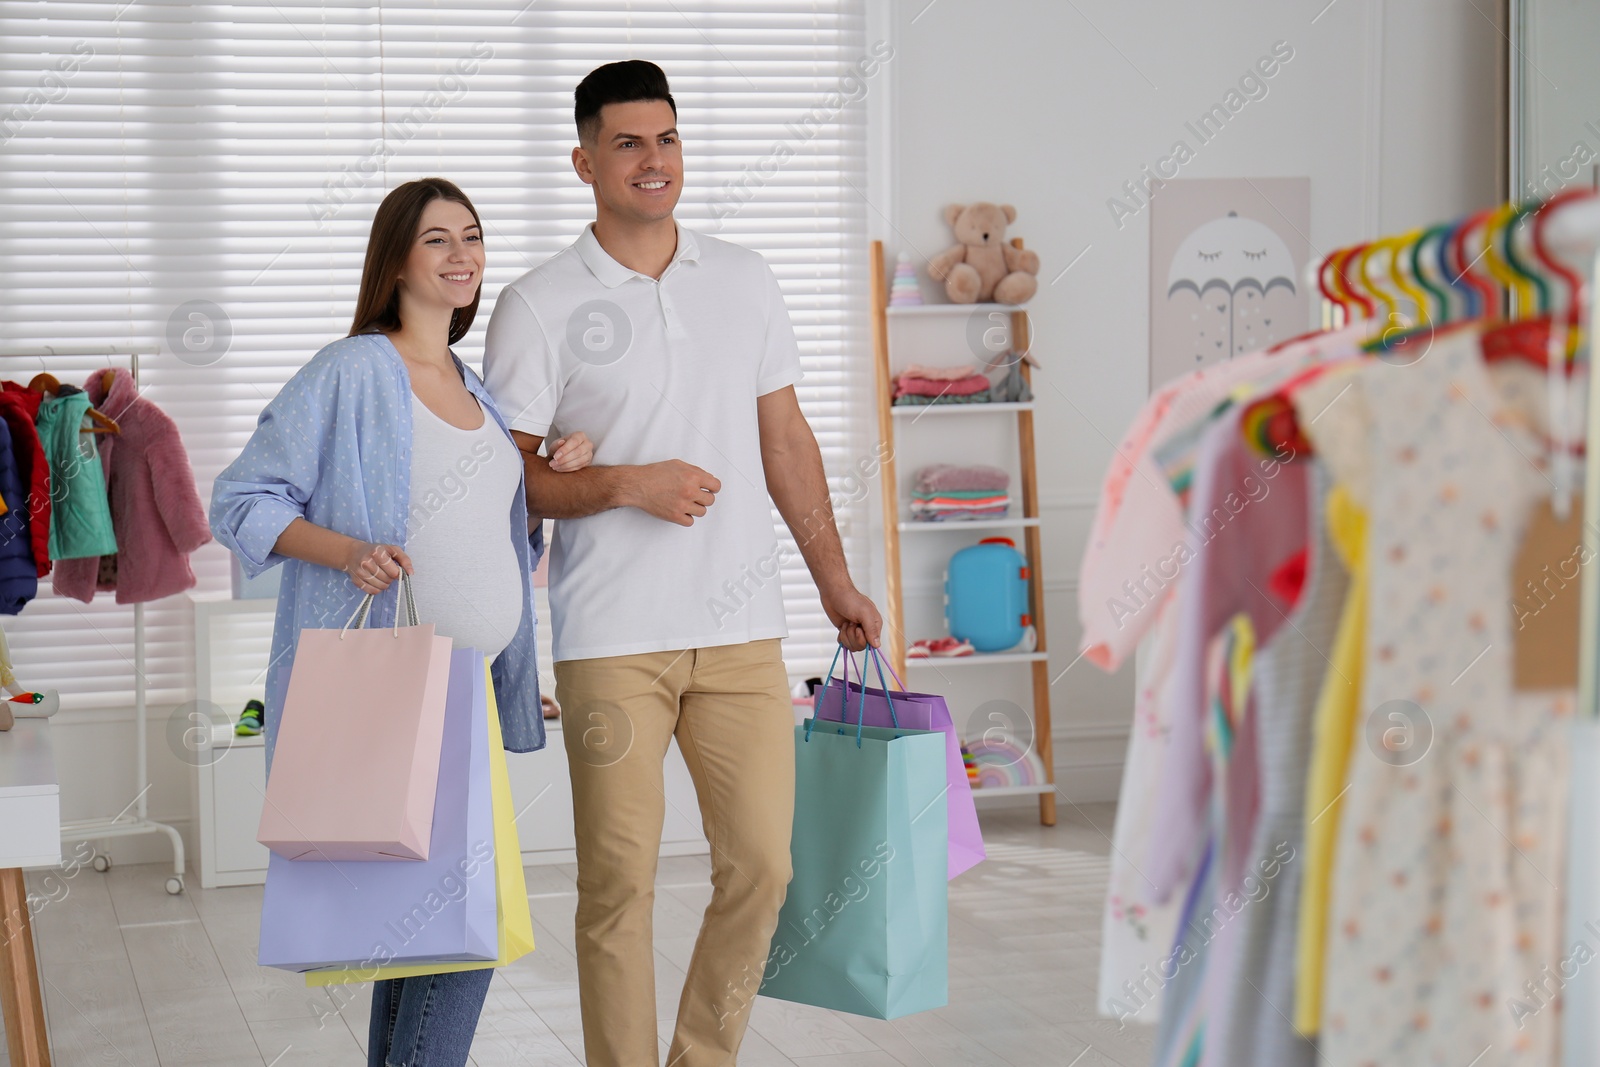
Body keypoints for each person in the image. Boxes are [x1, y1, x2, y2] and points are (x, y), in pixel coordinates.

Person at [481, 60, 883, 1067]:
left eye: (666, 139)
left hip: (742, 630)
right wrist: (625, 482)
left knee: (764, 865)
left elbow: (784, 437)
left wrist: (833, 580)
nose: (652, 160)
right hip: (612, 637)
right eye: (627, 142)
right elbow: (510, 477)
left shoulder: (744, 277)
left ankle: (701, 1056)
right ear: (583, 161)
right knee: (617, 879)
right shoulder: (537, 305)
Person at [210, 177, 593, 1067]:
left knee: (424, 937)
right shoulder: (353, 371)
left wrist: (555, 468)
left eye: (473, 235)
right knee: (462, 940)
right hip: (396, 700)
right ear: (396, 259)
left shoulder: (480, 386)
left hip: (466, 698)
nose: (464, 254)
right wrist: (345, 550)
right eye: (438, 240)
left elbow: (484, 530)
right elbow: (240, 501)